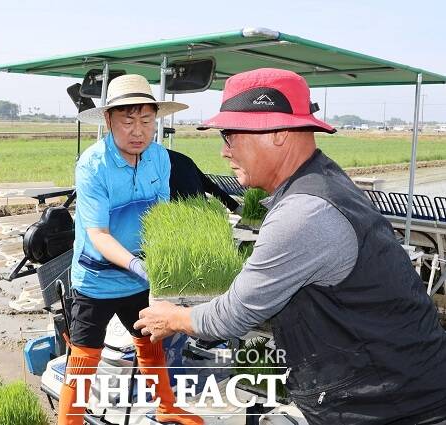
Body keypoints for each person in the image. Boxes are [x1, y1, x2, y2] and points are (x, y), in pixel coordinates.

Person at [134, 68, 446, 424]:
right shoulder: (320, 182)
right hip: (384, 389)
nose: (224, 151)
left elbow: (232, 317)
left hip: (391, 407)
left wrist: (172, 316)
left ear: (279, 133)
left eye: (230, 135)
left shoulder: (304, 212)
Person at [58, 74, 203, 425]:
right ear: (109, 120)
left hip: (140, 279)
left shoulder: (159, 159)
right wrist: (137, 265)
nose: (138, 131)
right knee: (84, 357)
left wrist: (173, 260)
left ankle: (166, 407)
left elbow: (161, 217)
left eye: (146, 120)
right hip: (97, 280)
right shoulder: (93, 166)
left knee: (150, 343)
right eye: (128, 120)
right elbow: (99, 235)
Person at [167, 148, 241, 213]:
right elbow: (209, 186)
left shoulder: (180, 160)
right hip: (202, 213)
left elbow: (208, 185)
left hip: (185, 216)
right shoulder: (183, 159)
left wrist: (234, 206)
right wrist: (234, 207)